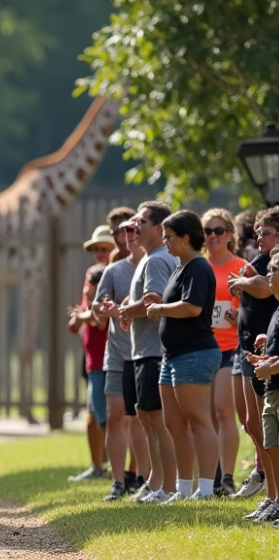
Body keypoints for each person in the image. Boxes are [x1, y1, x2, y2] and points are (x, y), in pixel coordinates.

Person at [145, 209, 220, 501]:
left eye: (169, 236)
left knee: (198, 419)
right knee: (174, 424)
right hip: (172, 355)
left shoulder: (198, 267)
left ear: (186, 237)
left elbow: (192, 307)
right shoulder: (180, 267)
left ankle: (206, 489)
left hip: (195, 352)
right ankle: (183, 488)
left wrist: (160, 309)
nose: (165, 241)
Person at [115, 204, 179, 503]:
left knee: (156, 418)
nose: (134, 227)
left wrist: (128, 308)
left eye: (141, 222)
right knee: (146, 415)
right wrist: (132, 308)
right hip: (144, 350)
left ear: (158, 228)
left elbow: (153, 301)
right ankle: (156, 482)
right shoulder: (150, 258)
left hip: (154, 350)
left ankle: (167, 486)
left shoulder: (155, 261)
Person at [93, 212, 151, 501]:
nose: (128, 233)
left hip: (147, 352)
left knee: (142, 418)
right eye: (124, 230)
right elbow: (96, 308)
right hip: (117, 354)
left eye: (133, 228)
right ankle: (117, 482)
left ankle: (142, 478)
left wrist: (127, 310)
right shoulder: (113, 271)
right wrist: (104, 309)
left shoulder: (156, 265)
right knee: (116, 416)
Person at [229, 207, 279, 517]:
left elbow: (261, 287)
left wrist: (243, 282)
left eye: (267, 231)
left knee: (267, 430)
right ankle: (272, 496)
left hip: (271, 362)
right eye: (258, 231)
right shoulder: (261, 263)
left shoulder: (268, 267)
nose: (260, 236)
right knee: (254, 425)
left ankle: (273, 495)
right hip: (258, 351)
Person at [200, 208, 246, 495]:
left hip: (231, 347)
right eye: (208, 231)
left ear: (230, 234)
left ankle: (227, 477)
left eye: (219, 230)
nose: (213, 236)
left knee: (223, 409)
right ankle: (211, 476)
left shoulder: (242, 266)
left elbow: (254, 307)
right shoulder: (198, 266)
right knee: (206, 415)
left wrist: (238, 315)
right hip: (202, 347)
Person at [67, 225, 114, 482]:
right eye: (95, 249)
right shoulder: (92, 274)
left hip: (109, 353)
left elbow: (99, 318)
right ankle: (98, 465)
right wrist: (77, 320)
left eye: (104, 248)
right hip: (91, 353)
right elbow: (86, 313)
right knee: (95, 412)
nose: (98, 252)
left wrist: (82, 317)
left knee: (103, 413)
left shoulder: (115, 273)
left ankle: (108, 467)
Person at [242, 246, 279, 527]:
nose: (268, 275)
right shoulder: (277, 309)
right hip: (272, 389)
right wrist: (266, 354)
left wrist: (271, 366)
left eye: (274, 271)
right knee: (271, 444)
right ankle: (276, 501)